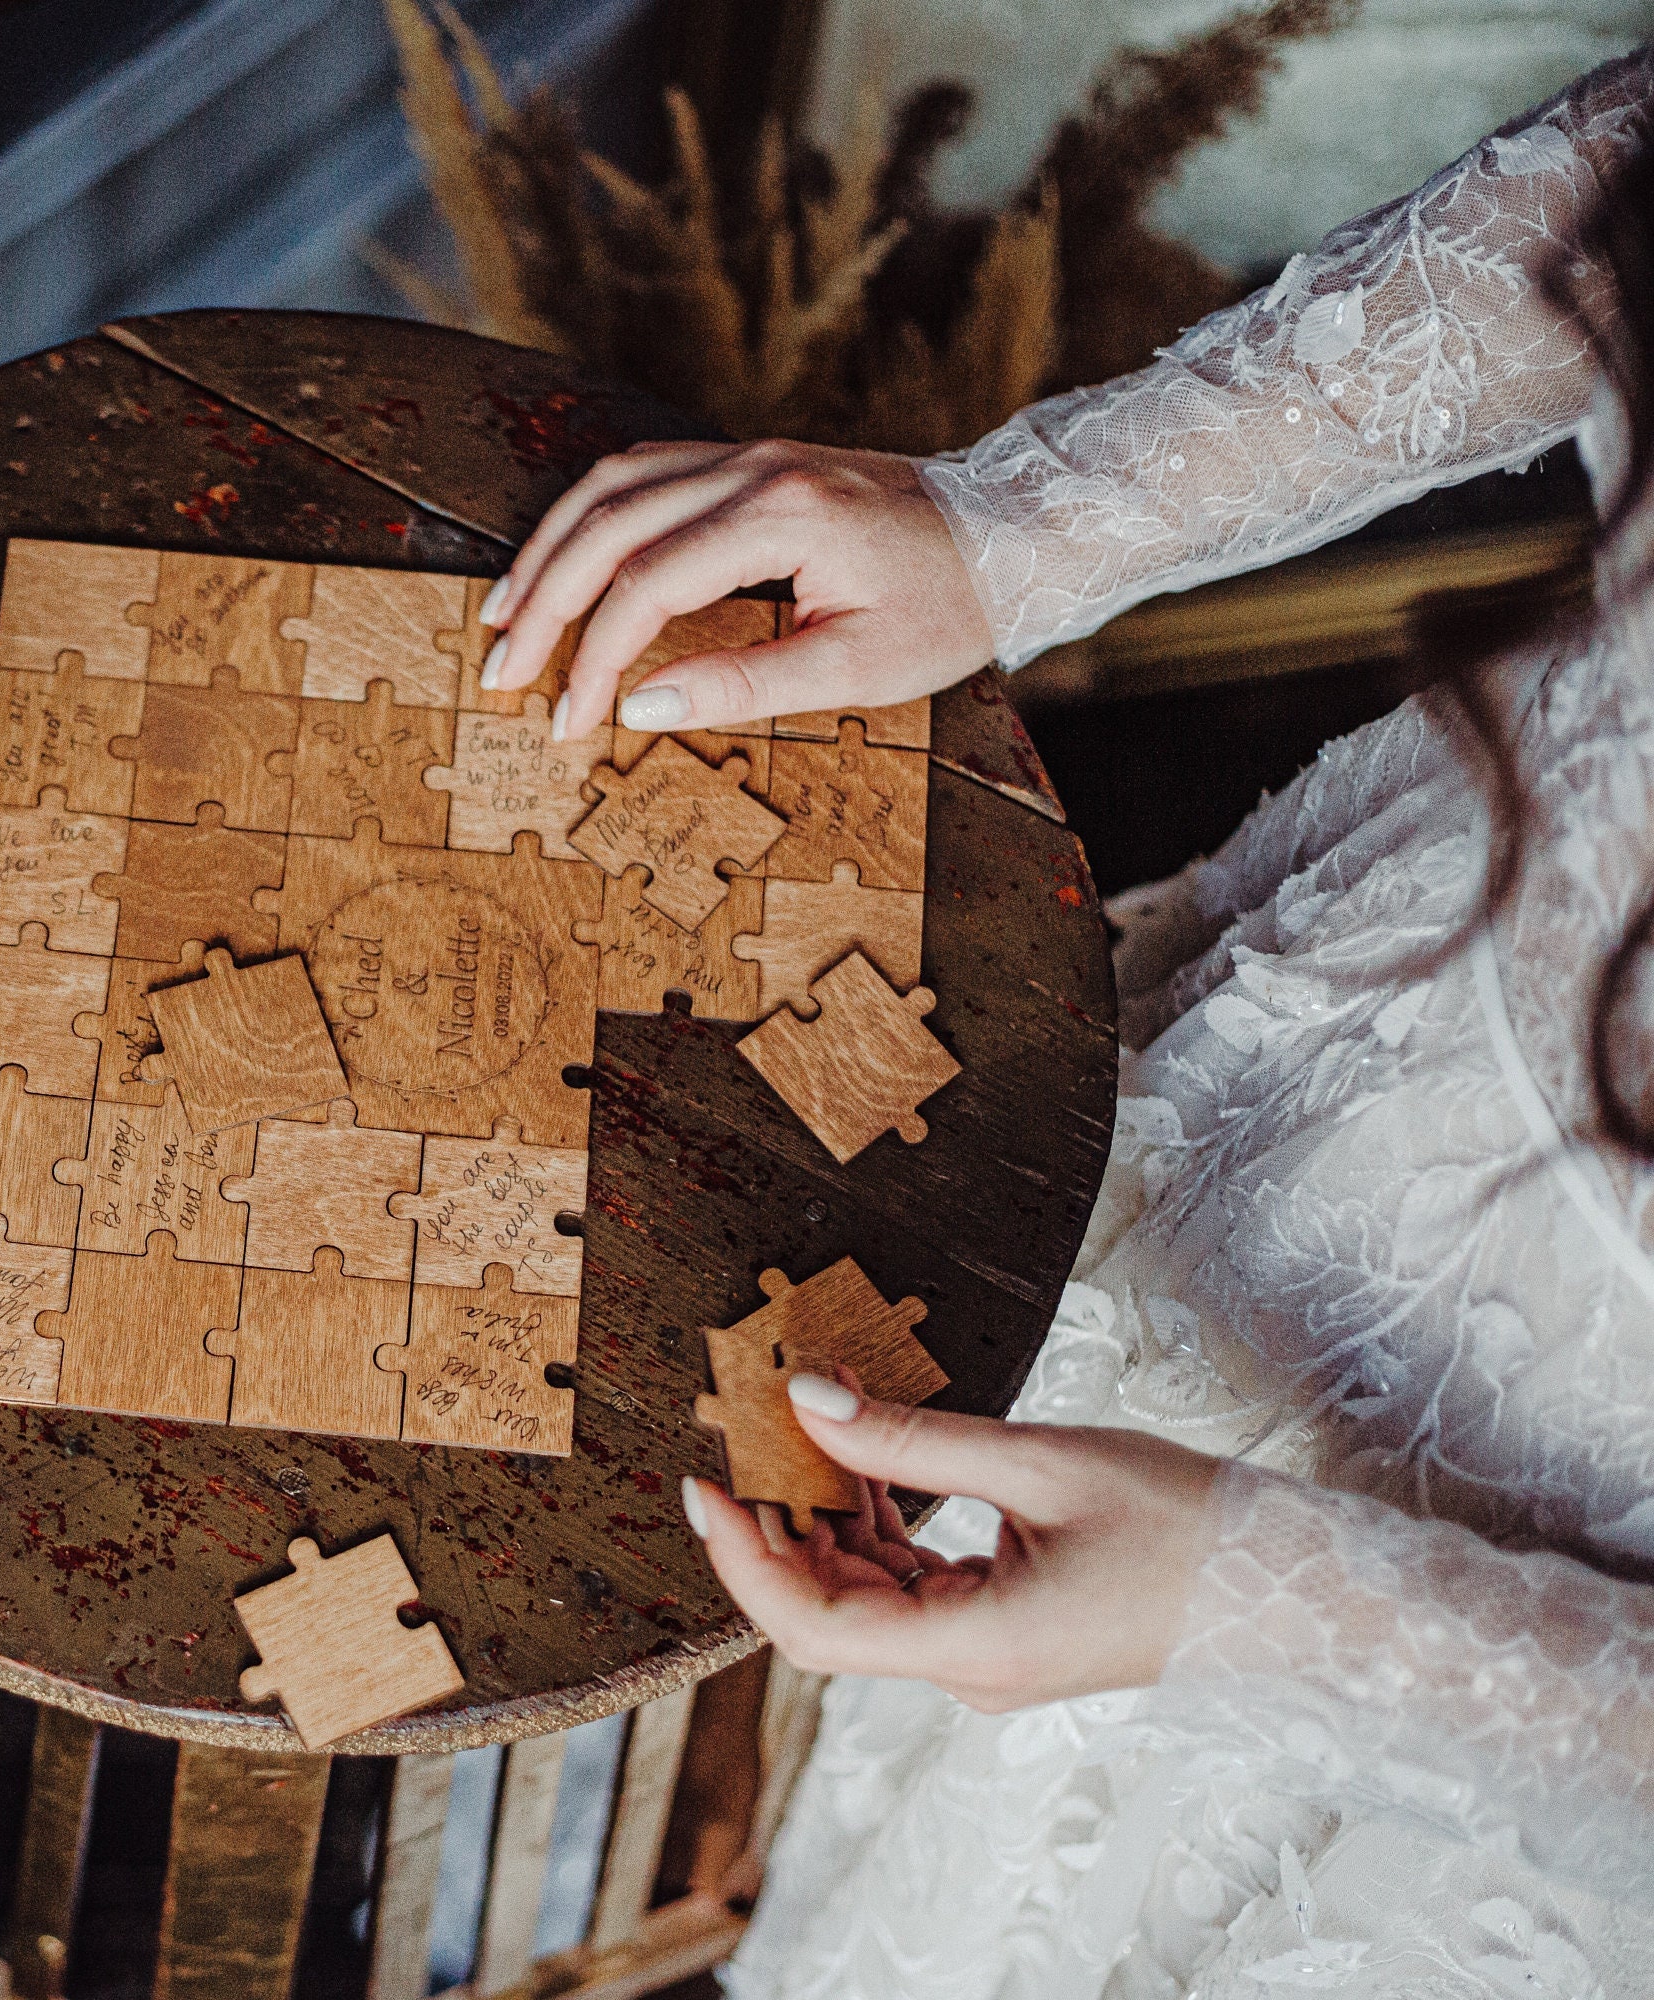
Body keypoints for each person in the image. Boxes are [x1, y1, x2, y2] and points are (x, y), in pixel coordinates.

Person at [484, 47, 1654, 1994]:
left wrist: (1267, 1607)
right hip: (1322, 1044)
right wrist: (1016, 518)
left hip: (1465, 1763)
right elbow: (1628, 192)